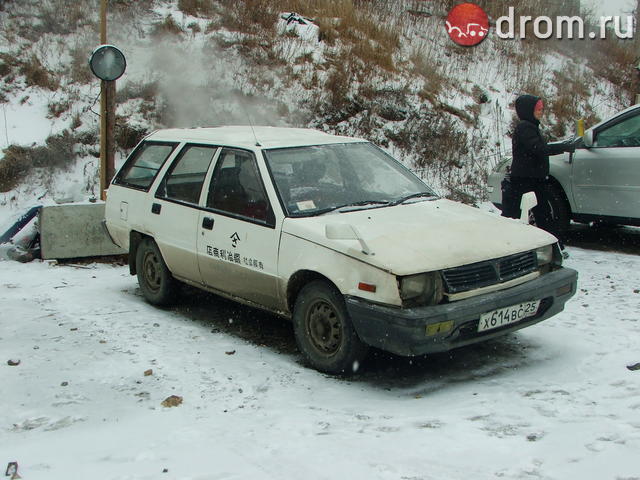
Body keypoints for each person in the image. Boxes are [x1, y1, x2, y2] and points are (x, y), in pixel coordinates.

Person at [501, 94, 575, 244]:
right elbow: (538, 148)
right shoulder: (525, 127)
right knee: (520, 215)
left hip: (534, 179)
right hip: (525, 181)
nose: (541, 112)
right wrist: (562, 147)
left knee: (541, 215)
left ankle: (551, 245)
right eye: (538, 109)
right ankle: (509, 243)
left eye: (542, 109)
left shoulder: (531, 126)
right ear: (528, 110)